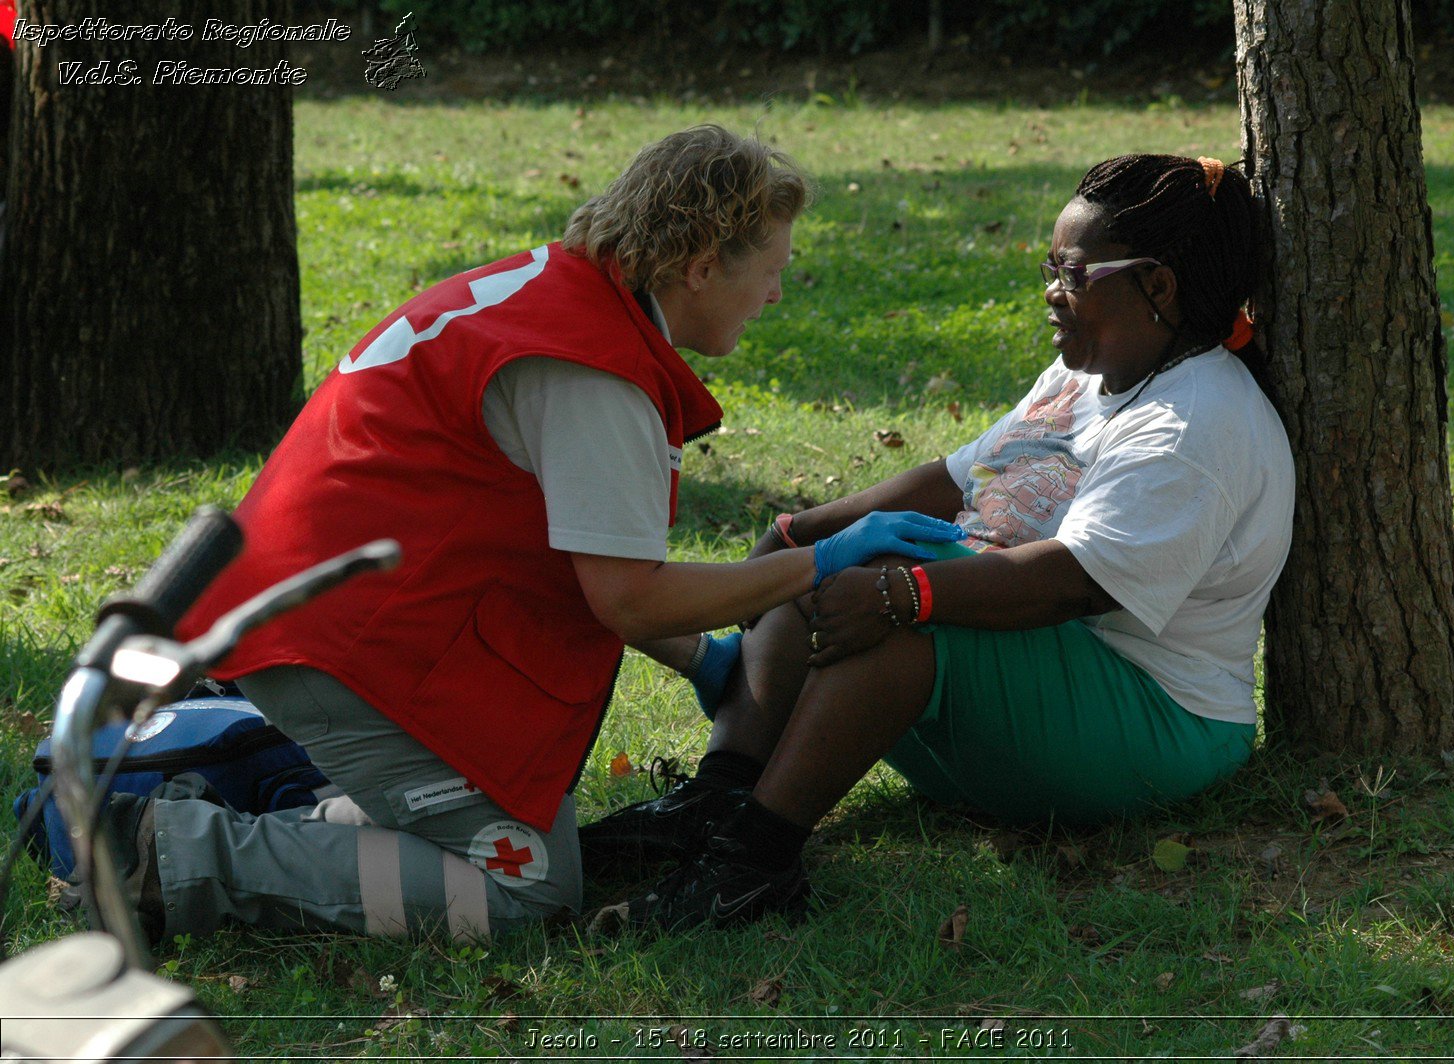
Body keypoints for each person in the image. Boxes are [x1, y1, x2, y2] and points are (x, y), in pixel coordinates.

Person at [90, 124, 963, 945]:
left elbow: (575, 552)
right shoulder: (595, 371)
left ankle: (236, 830)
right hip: (345, 644)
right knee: (525, 890)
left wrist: (704, 661)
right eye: (771, 268)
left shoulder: (559, 295)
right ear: (699, 267)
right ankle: (166, 857)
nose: (777, 290)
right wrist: (822, 561)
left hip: (321, 609)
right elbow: (626, 595)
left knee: (499, 846)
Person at [582, 153, 1296, 933]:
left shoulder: (1194, 423)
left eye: (1072, 272)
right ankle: (718, 800)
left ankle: (749, 868)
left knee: (888, 586)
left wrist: (905, 591)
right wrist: (803, 532)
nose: (1051, 291)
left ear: (1157, 285)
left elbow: (1074, 582)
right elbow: (958, 477)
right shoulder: (1093, 371)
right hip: (1039, 699)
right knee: (837, 558)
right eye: (1050, 266)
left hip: (1157, 726)